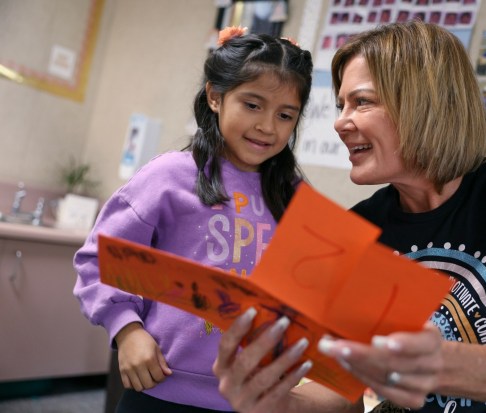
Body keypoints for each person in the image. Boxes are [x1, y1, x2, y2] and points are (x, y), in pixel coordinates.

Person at [213, 21, 486, 412]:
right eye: (341, 105)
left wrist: (434, 361)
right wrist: (275, 402)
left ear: (422, 103)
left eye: (361, 102)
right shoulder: (357, 229)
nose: (340, 122)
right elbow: (343, 395)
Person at [72, 26, 355, 413]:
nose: (268, 126)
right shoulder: (169, 176)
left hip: (256, 401)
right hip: (161, 389)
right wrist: (127, 329)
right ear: (215, 96)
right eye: (252, 105)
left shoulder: (295, 197)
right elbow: (99, 259)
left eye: (285, 114)